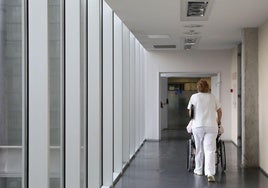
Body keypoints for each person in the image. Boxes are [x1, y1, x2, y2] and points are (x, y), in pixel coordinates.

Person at [187, 79, 222, 182]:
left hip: (198, 126)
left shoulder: (194, 97)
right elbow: (219, 111)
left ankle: (198, 170)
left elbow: (190, 113)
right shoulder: (213, 97)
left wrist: (195, 116)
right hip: (211, 126)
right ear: (208, 87)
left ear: (198, 87)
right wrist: (218, 121)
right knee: (210, 150)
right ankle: (210, 173)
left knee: (199, 148)